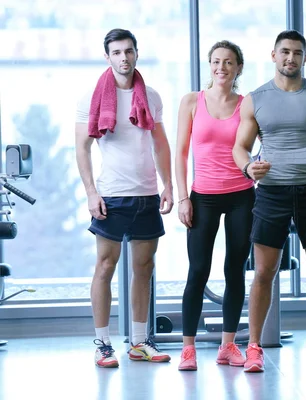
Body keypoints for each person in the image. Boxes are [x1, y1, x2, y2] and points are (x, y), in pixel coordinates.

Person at [232, 30, 306, 373]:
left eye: (297, 53)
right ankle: (254, 347)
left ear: (304, 57)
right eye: (284, 52)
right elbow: (240, 146)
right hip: (271, 192)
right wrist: (248, 167)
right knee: (264, 272)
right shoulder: (256, 99)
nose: (290, 58)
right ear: (273, 55)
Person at [75, 28, 174, 368]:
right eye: (116, 52)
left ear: (136, 53)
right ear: (108, 57)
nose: (124, 58)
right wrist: (91, 192)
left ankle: (138, 342)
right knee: (105, 266)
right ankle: (102, 344)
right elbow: (82, 147)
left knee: (143, 268)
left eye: (128, 51)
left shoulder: (152, 96)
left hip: (146, 194)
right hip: (111, 194)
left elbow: (160, 144)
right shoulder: (92, 96)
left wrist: (169, 185)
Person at [174, 40, 255, 371]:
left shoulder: (248, 103)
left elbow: (262, 144)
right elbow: (179, 152)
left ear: (238, 68)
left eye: (229, 62)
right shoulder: (192, 101)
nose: (222, 67)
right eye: (216, 61)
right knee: (198, 271)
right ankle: (188, 348)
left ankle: (228, 345)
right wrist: (182, 197)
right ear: (209, 65)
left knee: (234, 270)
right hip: (202, 196)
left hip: (241, 194)